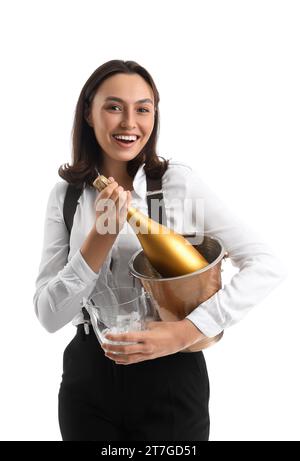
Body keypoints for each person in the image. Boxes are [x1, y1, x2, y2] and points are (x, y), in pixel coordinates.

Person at [33, 60, 286, 441]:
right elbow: (49, 316)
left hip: (170, 376)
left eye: (143, 108)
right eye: (114, 106)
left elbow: (266, 263)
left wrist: (186, 332)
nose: (129, 123)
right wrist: (97, 243)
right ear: (88, 111)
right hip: (87, 381)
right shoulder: (66, 197)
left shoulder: (175, 185)